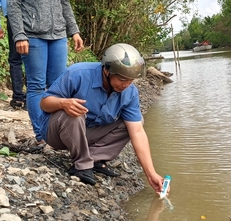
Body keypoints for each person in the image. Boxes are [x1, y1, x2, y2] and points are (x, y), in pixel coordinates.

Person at [39, 43, 166, 194]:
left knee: (135, 123)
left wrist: (151, 174)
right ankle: (82, 166)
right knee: (74, 112)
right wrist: (63, 103)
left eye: (131, 80)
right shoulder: (78, 73)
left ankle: (93, 159)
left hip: (87, 132)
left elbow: (137, 132)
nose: (126, 84)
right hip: (56, 132)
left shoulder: (130, 92)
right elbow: (44, 103)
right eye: (122, 79)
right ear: (106, 70)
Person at [6, 0, 84, 142]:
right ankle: (41, 134)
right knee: (37, 85)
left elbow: (64, 2)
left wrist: (74, 31)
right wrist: (19, 35)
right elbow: (13, 5)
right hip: (33, 36)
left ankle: (57, 131)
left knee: (58, 85)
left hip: (58, 35)